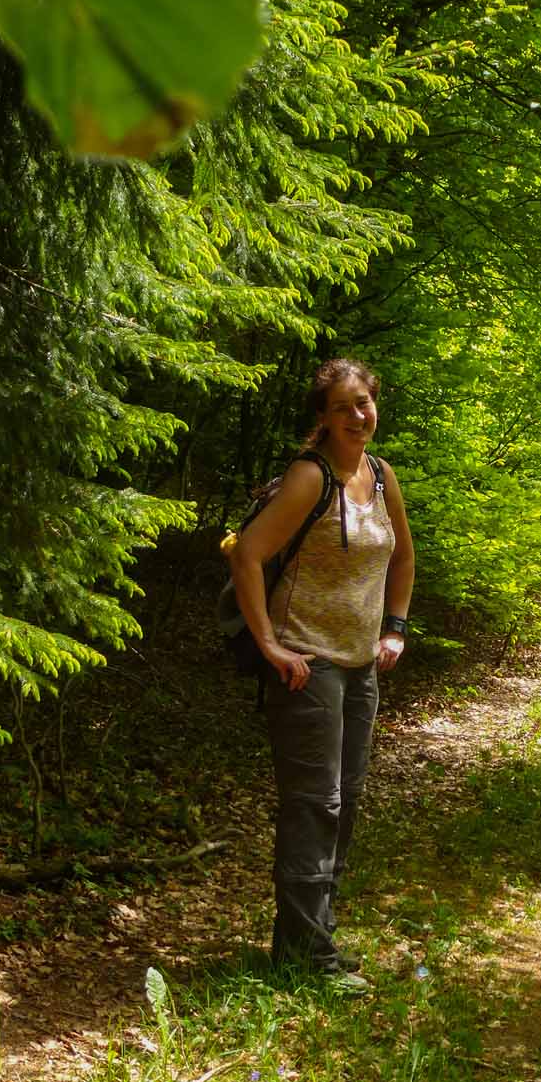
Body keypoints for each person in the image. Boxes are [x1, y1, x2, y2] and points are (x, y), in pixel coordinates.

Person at [229, 358, 415, 990]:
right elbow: (248, 555)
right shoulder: (310, 478)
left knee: (347, 800)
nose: (358, 415)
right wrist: (269, 645)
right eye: (343, 407)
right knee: (315, 805)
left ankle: (311, 941)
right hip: (308, 664)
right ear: (323, 418)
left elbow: (403, 558)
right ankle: (308, 961)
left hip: (362, 665)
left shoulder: (380, 476)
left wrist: (395, 628)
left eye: (364, 402)